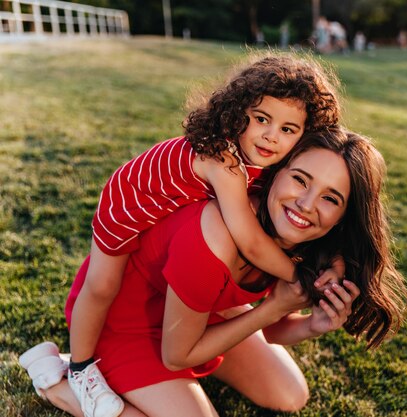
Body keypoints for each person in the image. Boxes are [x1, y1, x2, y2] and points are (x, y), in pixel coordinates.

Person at [20, 128, 407, 417]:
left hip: (200, 314)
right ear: (278, 171)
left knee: (290, 395)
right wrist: (270, 309)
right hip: (127, 320)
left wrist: (313, 324)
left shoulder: (309, 240)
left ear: (345, 215)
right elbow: (178, 355)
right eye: (300, 179)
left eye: (330, 198)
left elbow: (274, 328)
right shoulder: (217, 231)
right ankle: (64, 384)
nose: (307, 205)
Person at [64, 53, 342, 417]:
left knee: (287, 392)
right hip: (127, 205)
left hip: (166, 248)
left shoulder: (263, 167)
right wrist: (299, 277)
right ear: (236, 109)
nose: (272, 137)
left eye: (288, 130)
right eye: (261, 119)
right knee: (101, 285)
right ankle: (78, 369)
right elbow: (249, 240)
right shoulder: (223, 159)